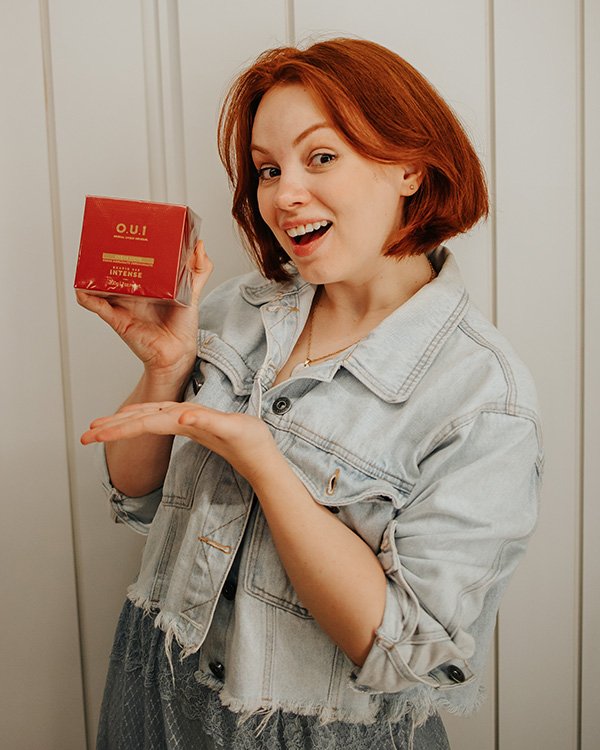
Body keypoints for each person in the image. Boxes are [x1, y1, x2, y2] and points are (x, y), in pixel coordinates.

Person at [78, 38, 542, 750]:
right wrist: (167, 366)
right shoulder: (238, 308)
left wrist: (265, 464)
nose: (283, 193)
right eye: (267, 169)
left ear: (411, 167)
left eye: (321, 157)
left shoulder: (483, 399)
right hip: (149, 691)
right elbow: (136, 495)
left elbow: (401, 650)